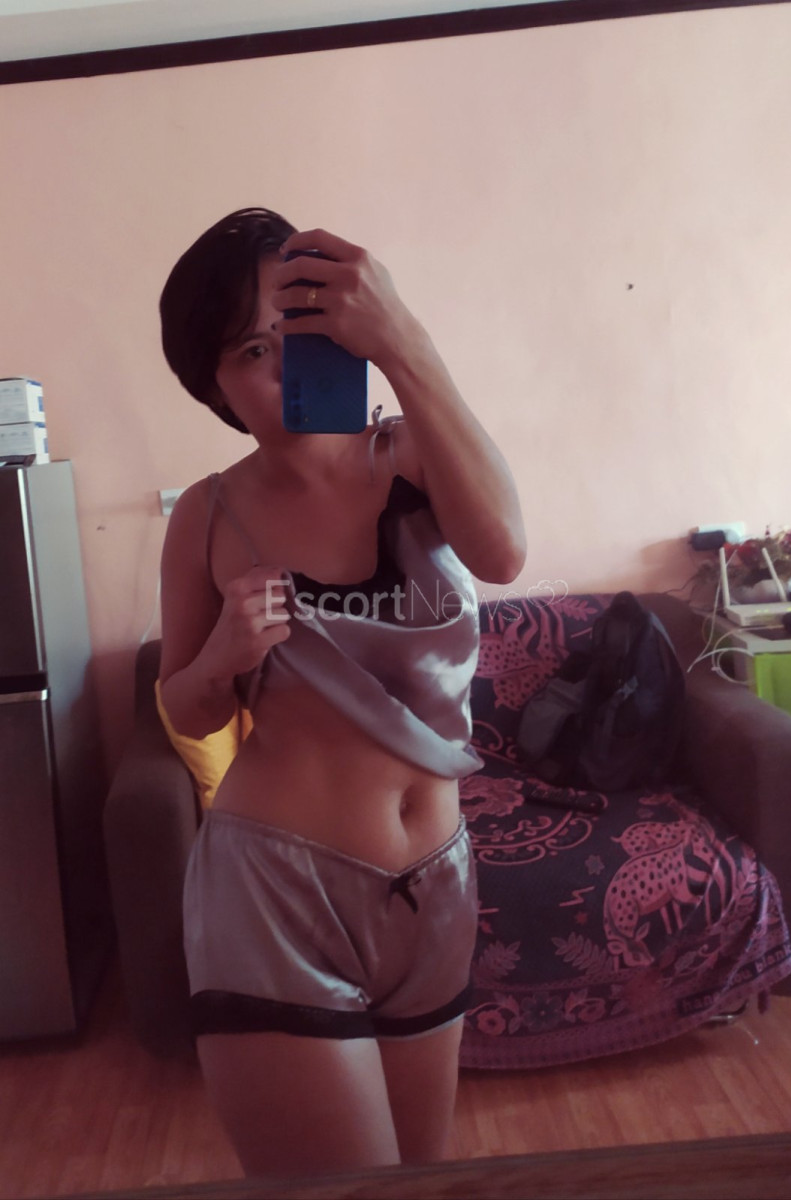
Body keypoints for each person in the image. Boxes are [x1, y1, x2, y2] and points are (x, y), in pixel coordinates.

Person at [157, 207, 526, 1179]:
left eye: (302, 330)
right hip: (275, 896)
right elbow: (185, 708)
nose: (283, 363)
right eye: (251, 350)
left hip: (436, 886)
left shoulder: (414, 454)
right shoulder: (208, 514)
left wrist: (403, 341)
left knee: (419, 1181)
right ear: (215, 387)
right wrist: (224, 655)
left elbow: (502, 551)